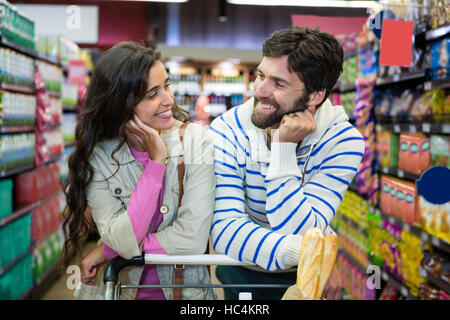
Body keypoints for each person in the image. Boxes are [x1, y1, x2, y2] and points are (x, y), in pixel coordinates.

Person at [209, 26, 365, 300]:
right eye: (260, 75)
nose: (260, 90)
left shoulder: (343, 141)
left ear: (316, 95)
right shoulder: (227, 128)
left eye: (278, 83)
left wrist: (283, 151)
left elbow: (305, 228)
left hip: (306, 282)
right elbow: (224, 229)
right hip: (239, 271)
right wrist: (308, 252)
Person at [61, 42, 216, 300]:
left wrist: (108, 250)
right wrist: (156, 162)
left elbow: (193, 239)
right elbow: (121, 239)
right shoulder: (99, 157)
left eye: (167, 85)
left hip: (187, 296)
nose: (169, 100)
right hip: (122, 291)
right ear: (121, 103)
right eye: (152, 94)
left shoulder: (195, 141)